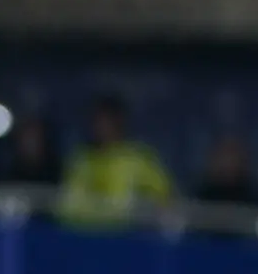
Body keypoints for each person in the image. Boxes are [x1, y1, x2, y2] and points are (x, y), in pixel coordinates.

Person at [58, 94, 173, 227]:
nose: (101, 127)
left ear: (118, 122)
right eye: (97, 121)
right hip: (84, 237)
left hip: (127, 239)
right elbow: (66, 207)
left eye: (106, 121)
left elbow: (166, 198)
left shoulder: (138, 159)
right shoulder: (81, 160)